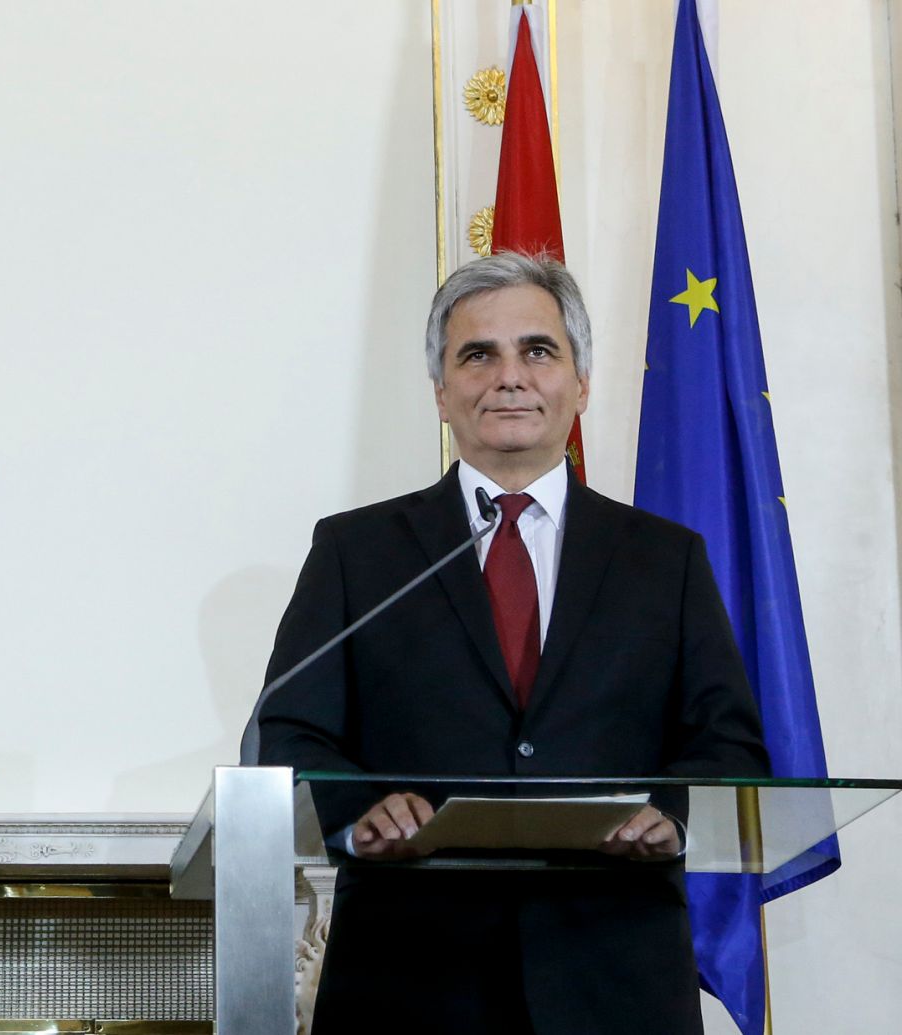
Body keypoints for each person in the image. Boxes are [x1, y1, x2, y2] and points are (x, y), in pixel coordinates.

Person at [253, 251, 770, 1034]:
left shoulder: (665, 558)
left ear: (581, 382)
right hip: (409, 977)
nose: (509, 376)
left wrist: (666, 813)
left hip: (615, 974)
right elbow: (288, 733)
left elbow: (728, 743)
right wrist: (361, 812)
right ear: (441, 393)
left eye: (537, 350)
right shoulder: (357, 553)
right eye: (477, 355)